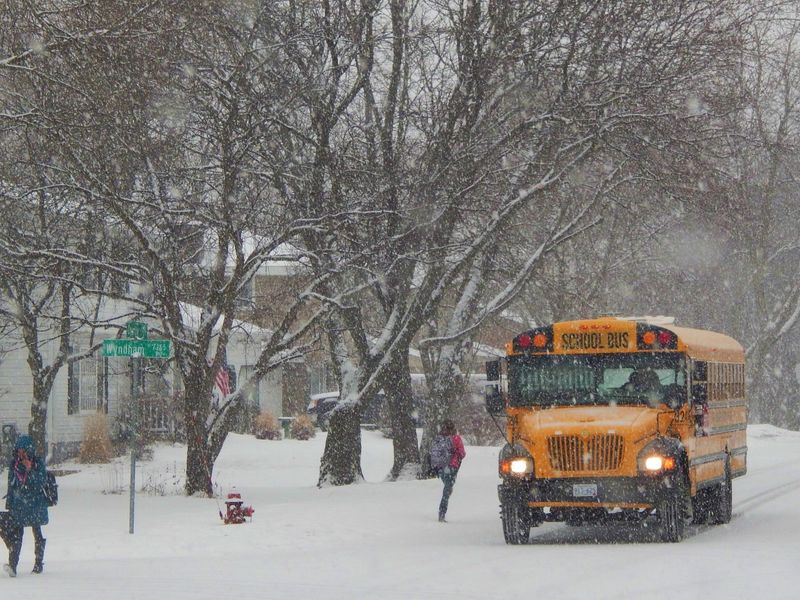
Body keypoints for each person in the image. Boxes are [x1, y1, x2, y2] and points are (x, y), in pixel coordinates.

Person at [3, 435, 49, 577]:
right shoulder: (14, 464)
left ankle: (38, 563)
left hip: (35, 504)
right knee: (17, 533)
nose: (20, 454)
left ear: (29, 450)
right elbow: (11, 485)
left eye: (23, 451)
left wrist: (30, 470)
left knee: (37, 532)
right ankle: (13, 565)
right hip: (19, 504)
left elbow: (40, 483)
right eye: (18, 451)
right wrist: (9, 504)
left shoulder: (38, 463)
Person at [437, 419, 466, 523]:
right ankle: (442, 512)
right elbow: (462, 453)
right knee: (447, 488)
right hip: (449, 466)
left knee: (446, 488)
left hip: (446, 467)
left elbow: (434, 453)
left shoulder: (441, 439)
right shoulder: (454, 439)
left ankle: (442, 512)